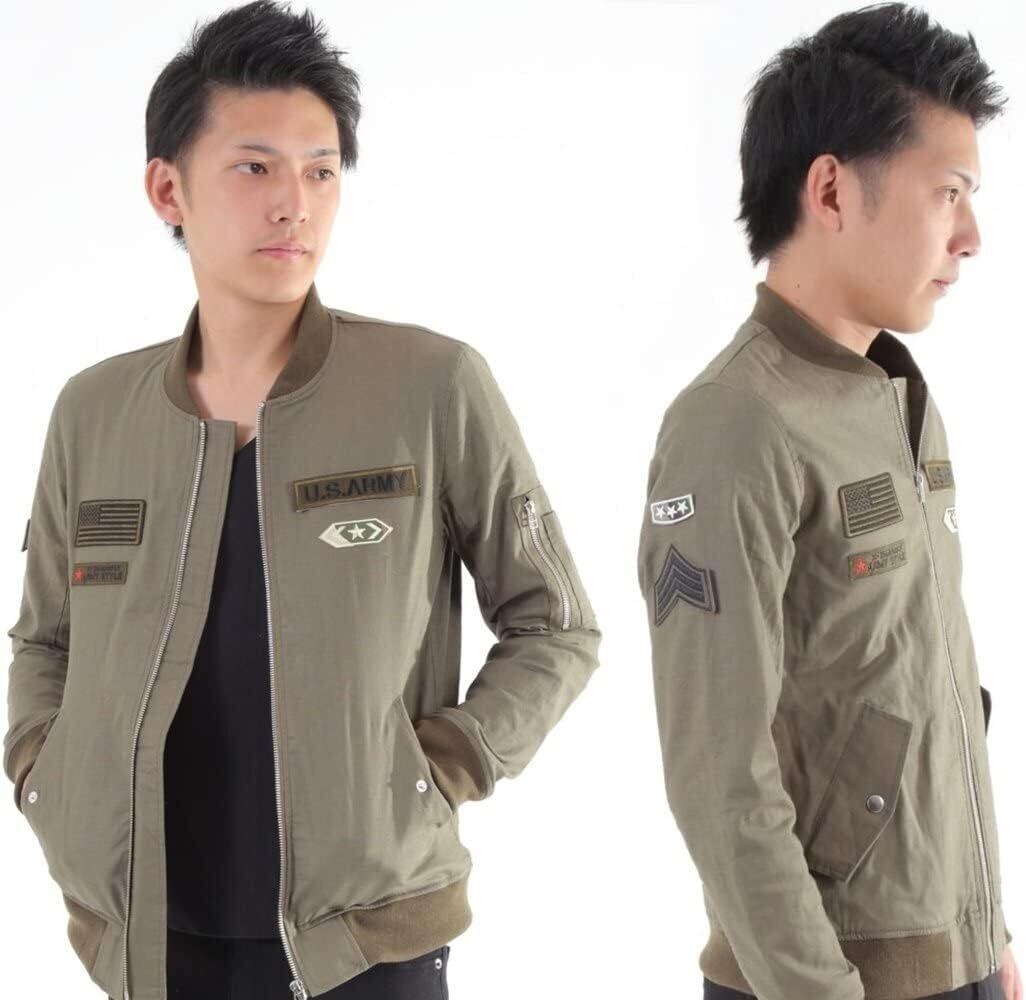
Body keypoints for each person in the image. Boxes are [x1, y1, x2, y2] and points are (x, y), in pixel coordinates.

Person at [4, 2, 600, 998]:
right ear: (168, 188)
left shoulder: (428, 386)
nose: (296, 204)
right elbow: (44, 640)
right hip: (145, 939)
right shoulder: (95, 412)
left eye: (321, 171)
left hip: (366, 944)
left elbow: (557, 623)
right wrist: (39, 771)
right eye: (255, 168)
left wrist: (442, 765)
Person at [637, 4, 1020, 999]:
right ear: (831, 189)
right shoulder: (733, 423)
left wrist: (984, 934)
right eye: (948, 193)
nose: (972, 236)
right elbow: (718, 776)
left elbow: (923, 688)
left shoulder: (899, 398)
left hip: (955, 959)